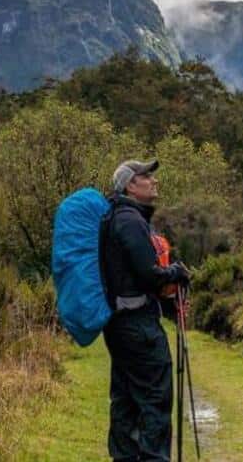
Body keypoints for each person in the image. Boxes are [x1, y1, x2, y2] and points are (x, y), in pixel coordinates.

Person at [100, 158, 191, 462]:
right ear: (130, 185)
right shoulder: (130, 220)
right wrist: (176, 272)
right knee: (155, 399)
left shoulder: (115, 217)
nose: (154, 181)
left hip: (119, 324)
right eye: (147, 176)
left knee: (125, 399)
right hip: (139, 325)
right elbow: (148, 275)